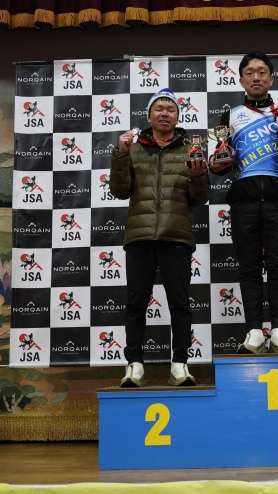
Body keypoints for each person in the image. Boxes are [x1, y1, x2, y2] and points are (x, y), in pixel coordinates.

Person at [109, 88, 209, 387]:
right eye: (159, 108)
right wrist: (120, 154)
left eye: (171, 109)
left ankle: (179, 365)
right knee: (135, 303)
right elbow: (120, 191)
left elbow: (200, 198)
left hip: (176, 237)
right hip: (139, 237)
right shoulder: (133, 147)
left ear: (178, 117)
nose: (165, 113)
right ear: (149, 116)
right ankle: (134, 365)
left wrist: (198, 177)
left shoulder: (191, 148)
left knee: (179, 303)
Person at [209, 51, 278, 354]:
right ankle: (253, 331)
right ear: (241, 80)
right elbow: (221, 162)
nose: (256, 77)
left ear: (271, 79)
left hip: (277, 200)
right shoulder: (231, 115)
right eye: (250, 72)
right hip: (243, 202)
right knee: (249, 267)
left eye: (262, 72)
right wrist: (216, 162)